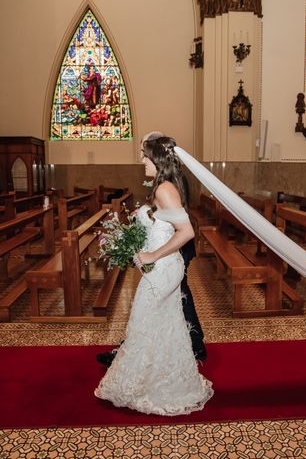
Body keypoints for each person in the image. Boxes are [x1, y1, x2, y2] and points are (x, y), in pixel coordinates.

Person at [94, 136, 213, 416]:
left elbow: (187, 232)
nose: (141, 160)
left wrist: (151, 255)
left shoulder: (165, 189)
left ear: (157, 159)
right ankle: (160, 380)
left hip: (162, 268)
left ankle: (154, 385)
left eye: (144, 155)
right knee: (158, 325)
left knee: (146, 325)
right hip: (159, 268)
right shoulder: (162, 186)